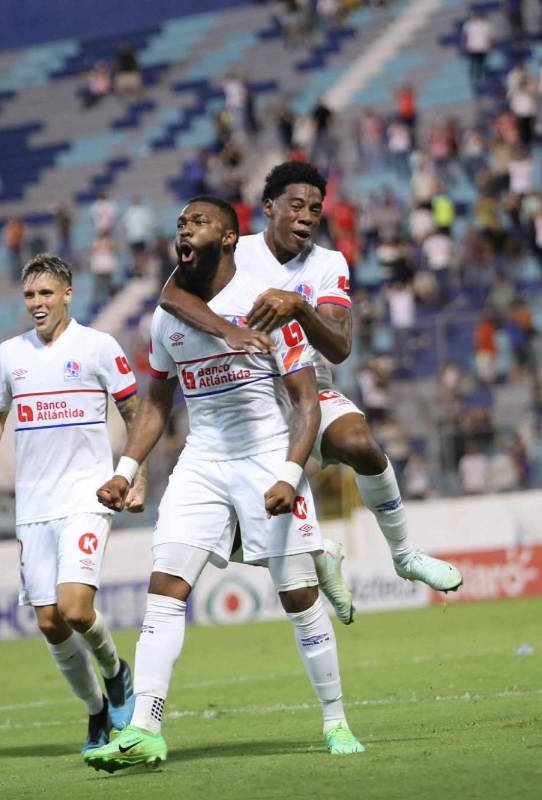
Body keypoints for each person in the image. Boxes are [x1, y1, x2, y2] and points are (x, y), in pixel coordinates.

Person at [85, 196, 364, 772]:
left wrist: (291, 473)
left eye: (198, 221)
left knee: (297, 596)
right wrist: (124, 470)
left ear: (230, 237)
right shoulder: (167, 318)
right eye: (181, 221)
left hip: (266, 456)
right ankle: (144, 730)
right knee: (164, 589)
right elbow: (157, 407)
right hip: (203, 462)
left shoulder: (265, 305)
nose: (184, 228)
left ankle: (336, 719)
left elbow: (306, 404)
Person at [158, 162, 463, 624]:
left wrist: (298, 305)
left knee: (360, 442)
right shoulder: (232, 249)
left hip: (307, 389)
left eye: (315, 210)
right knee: (229, 525)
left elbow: (339, 348)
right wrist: (227, 331)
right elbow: (170, 296)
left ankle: (404, 554)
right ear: (269, 208)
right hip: (247, 400)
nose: (306, 216)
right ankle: (320, 552)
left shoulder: (328, 264)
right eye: (296, 205)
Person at [0, 254, 144, 754]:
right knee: (48, 621)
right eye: (29, 296)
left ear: (68, 293)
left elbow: (136, 413)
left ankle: (116, 673)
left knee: (74, 607)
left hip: (87, 495)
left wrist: (134, 478)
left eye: (46, 293)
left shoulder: (97, 347)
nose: (37, 303)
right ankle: (95, 712)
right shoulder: (9, 355)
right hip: (34, 505)